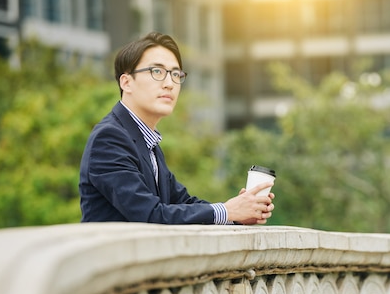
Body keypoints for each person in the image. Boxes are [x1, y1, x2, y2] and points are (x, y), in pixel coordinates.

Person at [79, 32, 274, 225]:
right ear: (127, 82)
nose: (169, 84)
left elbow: (183, 203)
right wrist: (228, 211)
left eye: (175, 74)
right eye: (157, 72)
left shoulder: (148, 143)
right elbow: (150, 214)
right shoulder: (109, 138)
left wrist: (238, 214)